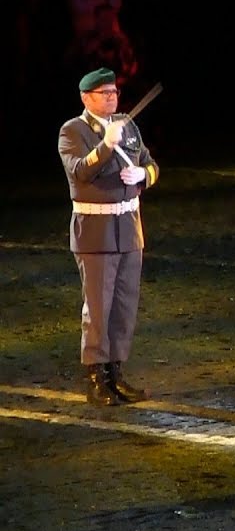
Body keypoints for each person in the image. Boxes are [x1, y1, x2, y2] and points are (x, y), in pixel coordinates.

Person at [58, 67, 157, 406]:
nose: (112, 97)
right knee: (98, 308)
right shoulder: (73, 130)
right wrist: (104, 146)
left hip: (129, 229)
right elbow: (80, 170)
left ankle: (116, 372)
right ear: (86, 98)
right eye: (104, 93)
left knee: (124, 306)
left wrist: (143, 173)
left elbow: (151, 164)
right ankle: (96, 377)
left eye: (114, 92)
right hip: (96, 233)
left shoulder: (128, 125)